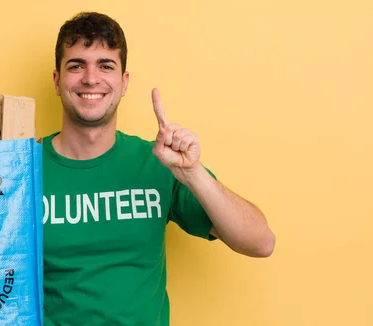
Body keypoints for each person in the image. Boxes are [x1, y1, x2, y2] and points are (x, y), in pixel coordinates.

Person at [40, 11, 276, 326]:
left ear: (124, 83)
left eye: (106, 65)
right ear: (57, 81)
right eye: (76, 65)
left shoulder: (159, 162)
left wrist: (192, 173)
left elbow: (261, 243)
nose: (91, 78)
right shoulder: (19, 168)